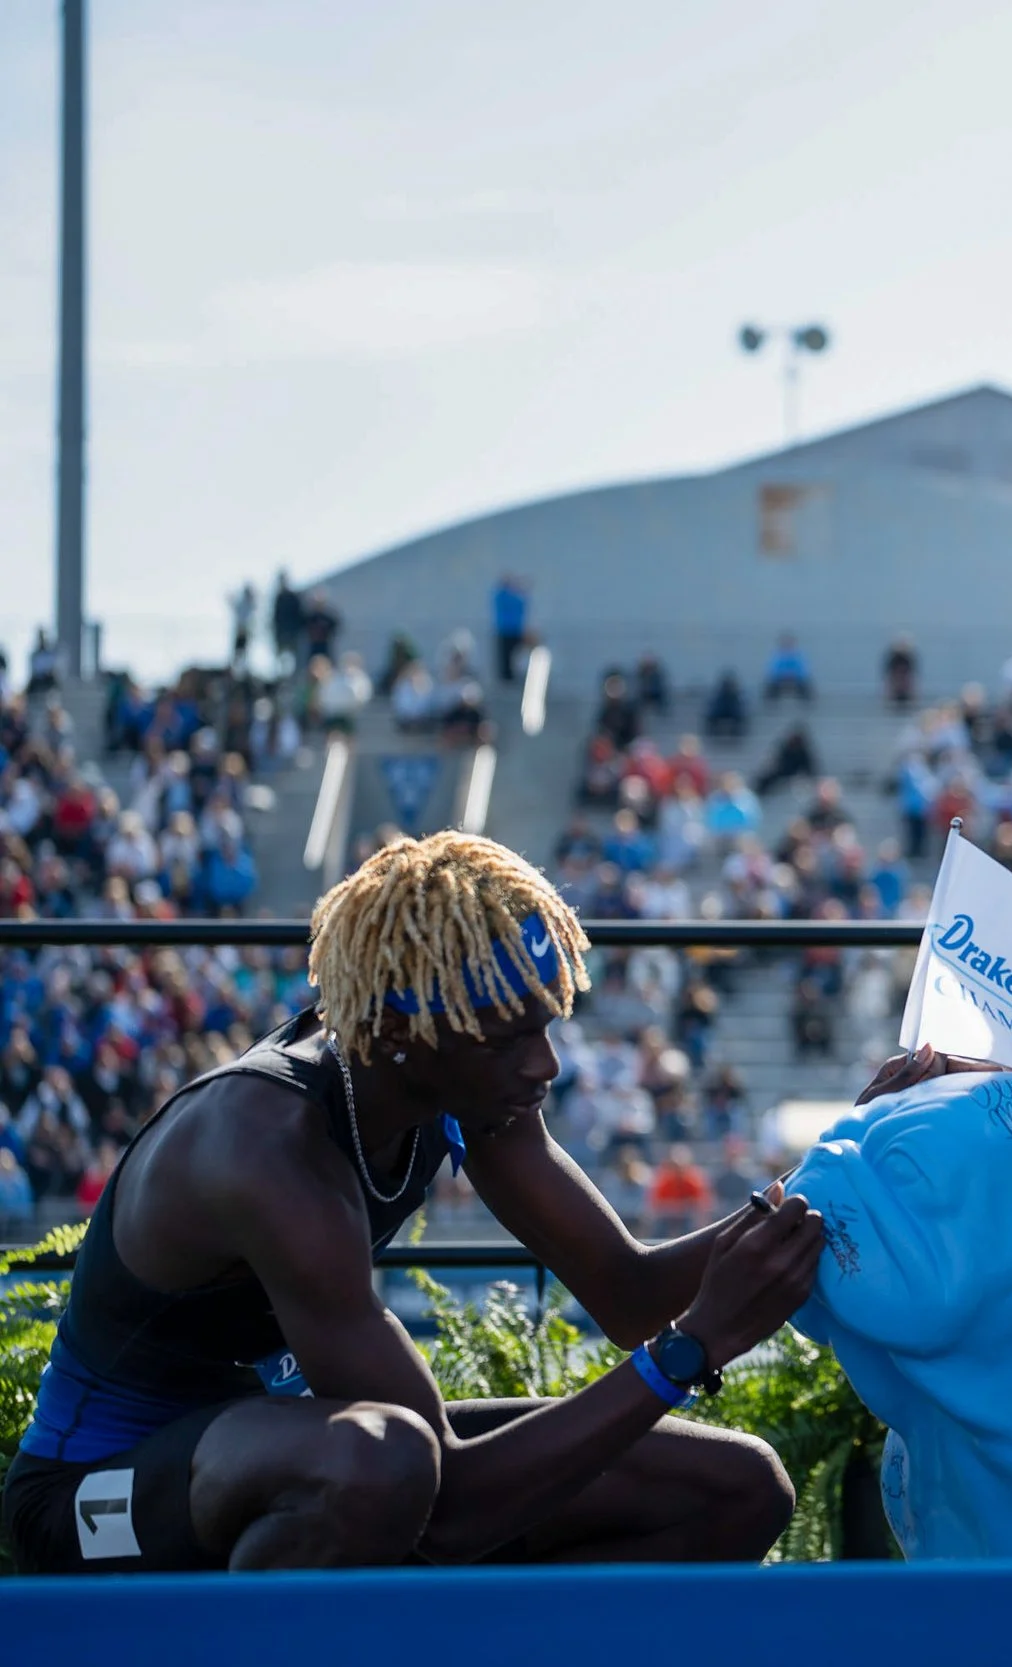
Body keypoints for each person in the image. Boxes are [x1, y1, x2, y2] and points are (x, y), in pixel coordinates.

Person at [1, 831, 823, 1573]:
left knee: (739, 1489)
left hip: (287, 1460)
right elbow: (451, 1508)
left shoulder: (458, 1073)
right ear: (403, 1034)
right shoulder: (266, 1147)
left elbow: (627, 1291)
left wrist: (837, 1170)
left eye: (546, 1026)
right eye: (511, 1037)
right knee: (380, 1462)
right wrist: (686, 1351)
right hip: (91, 1499)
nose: (546, 1065)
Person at [492, 576, 530, 683]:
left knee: (512, 656)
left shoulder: (513, 597)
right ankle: (506, 677)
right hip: (505, 631)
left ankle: (510, 676)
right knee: (505, 656)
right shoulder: (504, 596)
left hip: (514, 631)